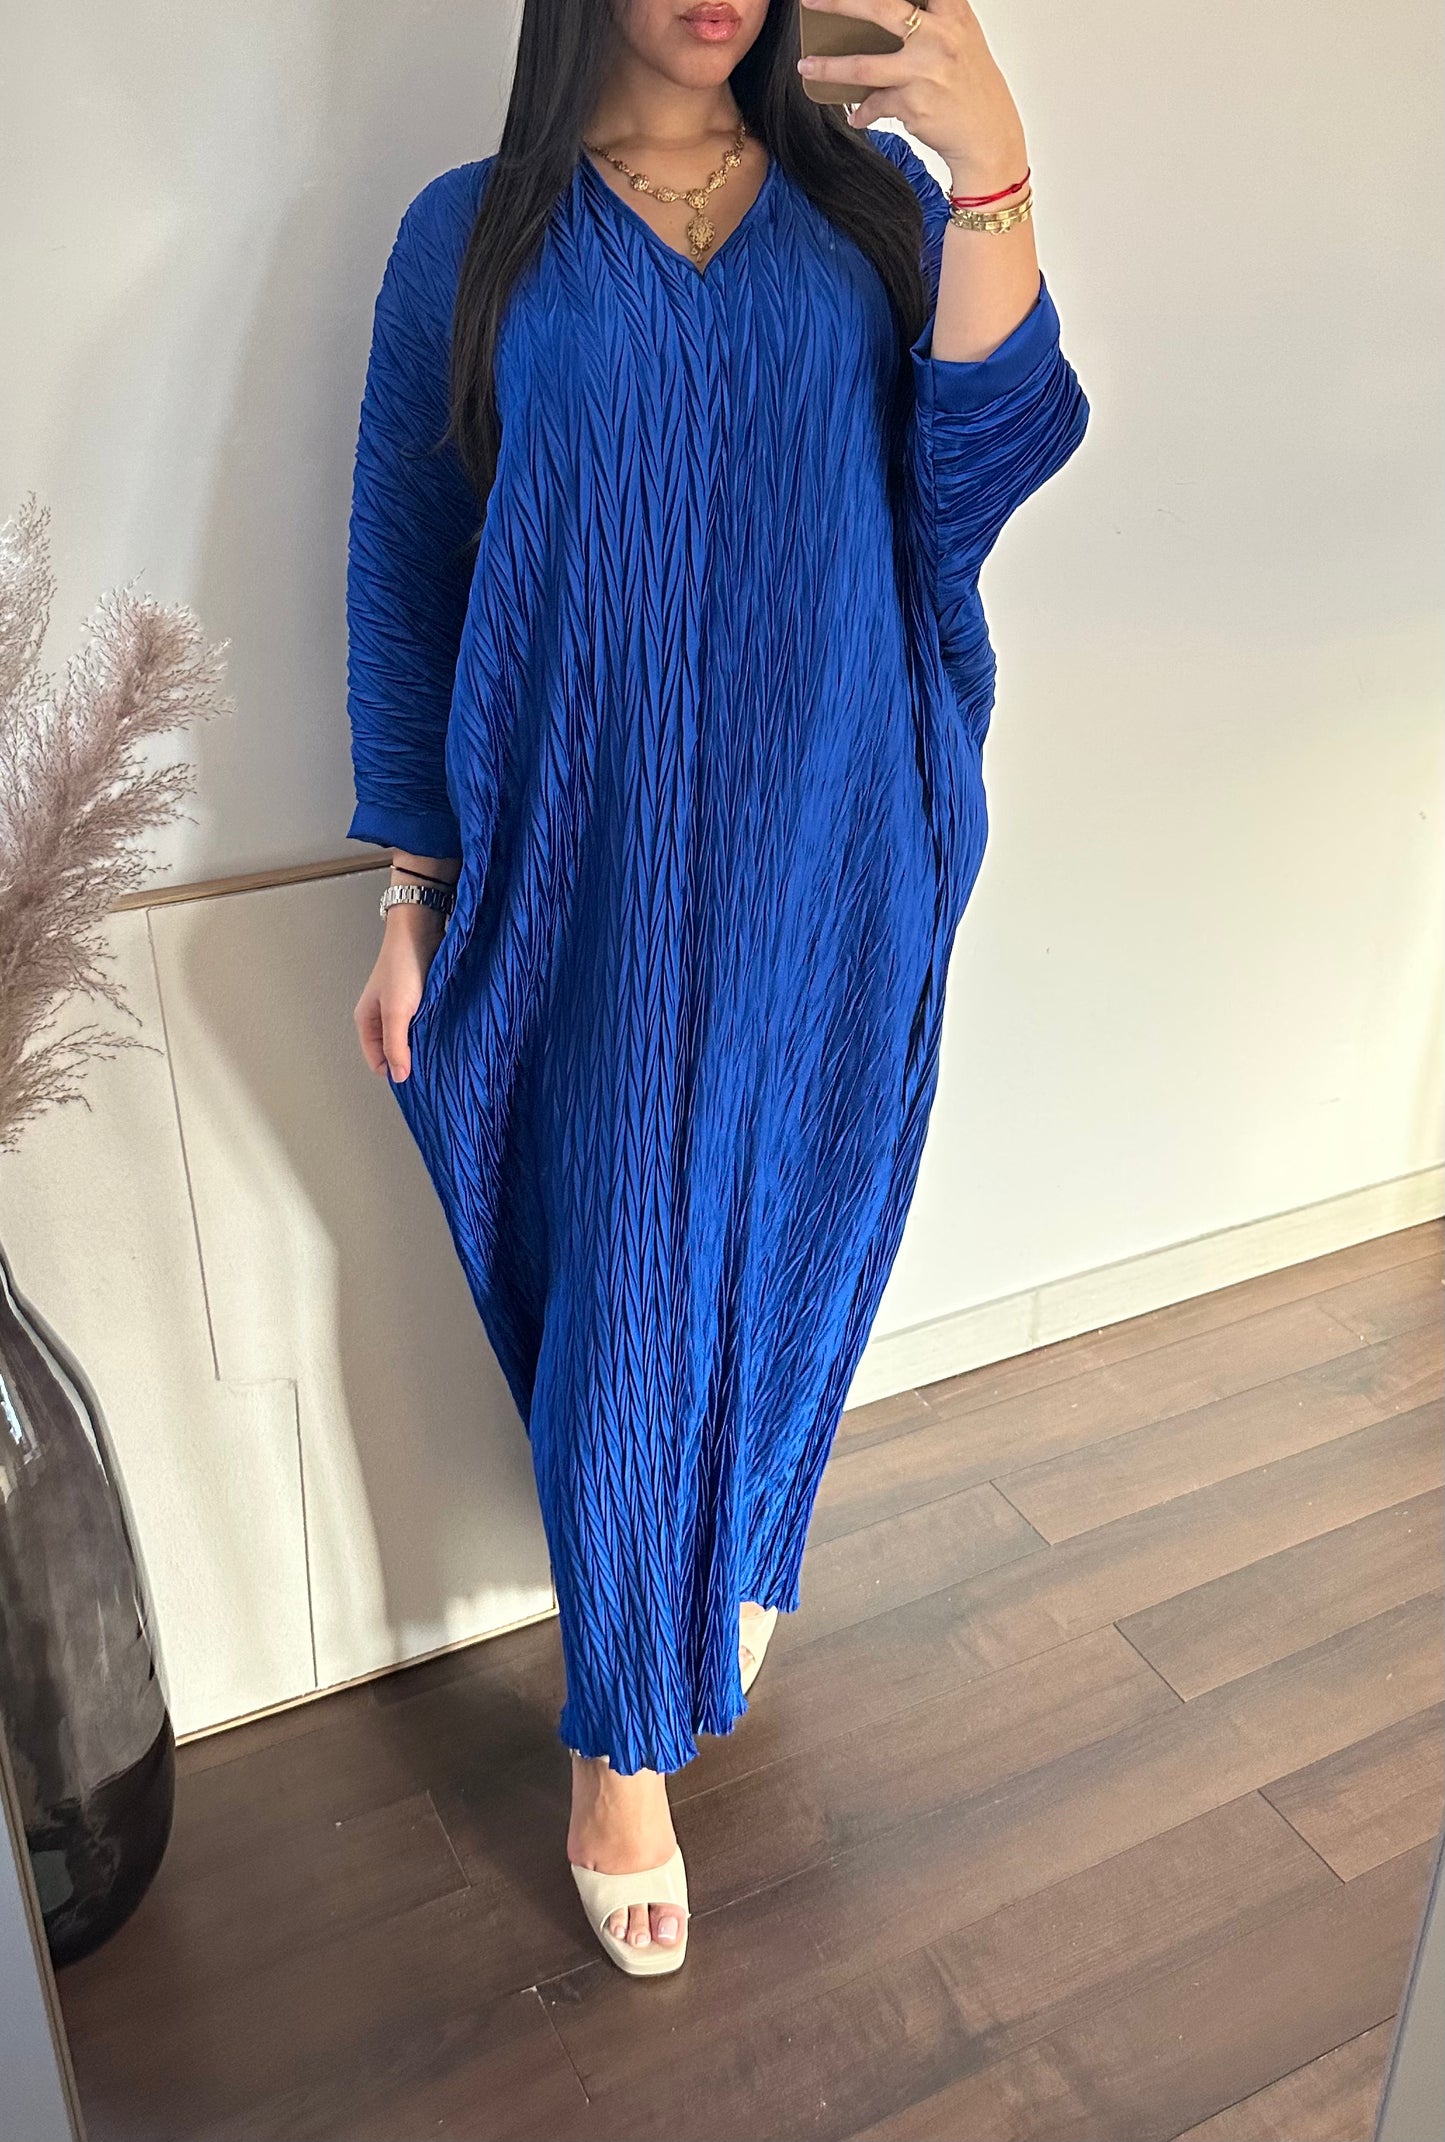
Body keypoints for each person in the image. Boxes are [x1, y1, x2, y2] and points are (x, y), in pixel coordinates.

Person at [345, 0, 1088, 1978]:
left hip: (830, 840)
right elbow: (412, 566)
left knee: (788, 1226)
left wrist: (990, 166)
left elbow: (977, 474)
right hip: (585, 862)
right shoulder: (470, 236)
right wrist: (410, 890)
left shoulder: (869, 216)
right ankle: (620, 1742)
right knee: (624, 1275)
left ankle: (719, 1542)